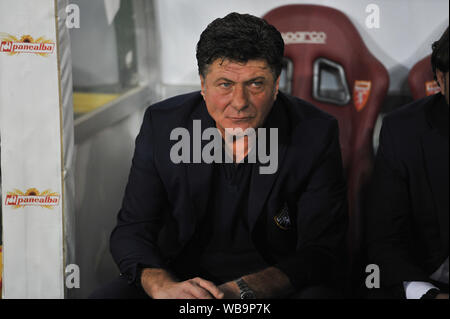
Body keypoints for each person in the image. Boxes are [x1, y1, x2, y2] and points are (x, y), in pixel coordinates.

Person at [91, 12, 348, 299]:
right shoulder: (163, 125)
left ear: (276, 87)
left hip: (274, 287)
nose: (239, 103)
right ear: (203, 86)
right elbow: (132, 230)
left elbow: (323, 250)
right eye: (225, 84)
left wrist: (239, 292)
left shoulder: (314, 133)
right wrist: (161, 285)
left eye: (256, 84)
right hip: (181, 280)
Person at [366, 27, 449, 299]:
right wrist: (427, 295)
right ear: (441, 78)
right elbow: (384, 237)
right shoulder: (402, 131)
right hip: (431, 281)